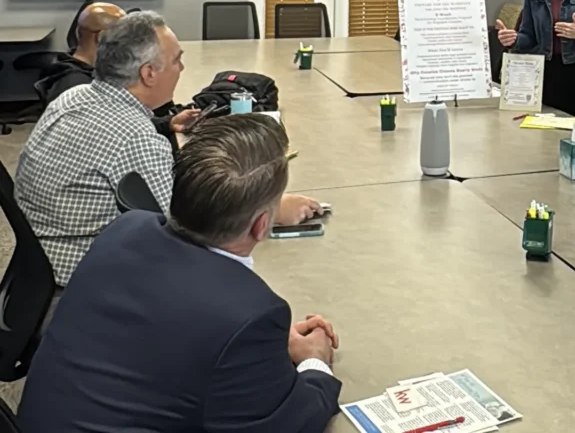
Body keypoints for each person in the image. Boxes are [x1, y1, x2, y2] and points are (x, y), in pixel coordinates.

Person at [18, 114, 342, 432]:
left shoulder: (126, 228)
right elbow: (289, 422)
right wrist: (315, 361)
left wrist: (262, 352)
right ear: (261, 226)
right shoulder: (249, 314)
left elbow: (179, 334)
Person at [15, 11, 323, 294]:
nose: (182, 68)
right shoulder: (136, 138)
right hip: (85, 282)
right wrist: (264, 209)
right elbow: (183, 235)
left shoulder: (75, 98)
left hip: (40, 264)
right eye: (176, 60)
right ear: (149, 73)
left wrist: (163, 125)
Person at [35, 2, 195, 149]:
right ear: (102, 37)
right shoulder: (74, 86)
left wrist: (167, 122)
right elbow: (115, 131)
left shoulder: (78, 82)